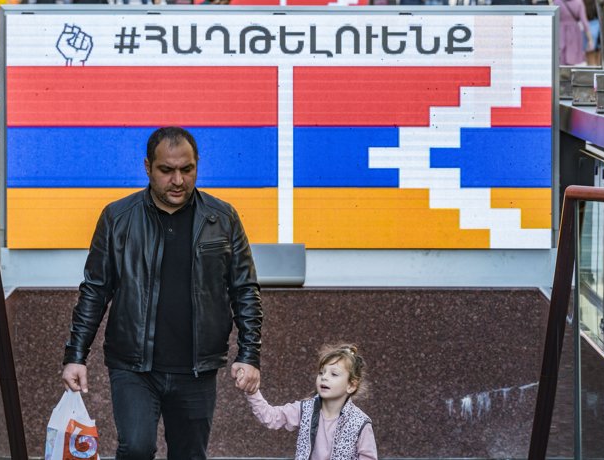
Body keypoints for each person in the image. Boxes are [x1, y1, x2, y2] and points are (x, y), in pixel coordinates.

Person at [61, 126, 263, 460]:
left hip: (197, 368)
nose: (178, 180)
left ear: (197, 165)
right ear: (147, 168)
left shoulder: (222, 218)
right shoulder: (118, 218)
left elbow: (244, 290)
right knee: (137, 448)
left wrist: (249, 354)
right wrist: (75, 355)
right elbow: (95, 291)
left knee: (189, 454)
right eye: (166, 170)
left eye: (187, 169)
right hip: (133, 365)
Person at [243, 343, 377, 460]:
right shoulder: (305, 409)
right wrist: (252, 391)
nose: (324, 377)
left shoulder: (360, 423)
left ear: (351, 385)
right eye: (321, 372)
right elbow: (271, 417)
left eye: (334, 374)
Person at [555, 0, 594, 65]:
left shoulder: (557, 2)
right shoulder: (579, 2)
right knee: (572, 55)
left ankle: (563, 74)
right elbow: (584, 22)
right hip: (574, 32)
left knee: (561, 56)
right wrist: (590, 39)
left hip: (560, 31)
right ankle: (570, 73)